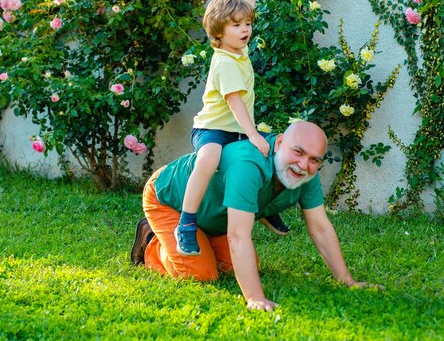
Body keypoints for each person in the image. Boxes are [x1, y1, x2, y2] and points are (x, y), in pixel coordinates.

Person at [131, 121, 383, 311]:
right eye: (298, 152)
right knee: (201, 274)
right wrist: (254, 298)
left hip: (216, 216)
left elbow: (319, 227)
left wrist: (347, 281)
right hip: (171, 200)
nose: (304, 165)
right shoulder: (248, 164)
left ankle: (202, 237)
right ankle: (153, 242)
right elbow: (238, 235)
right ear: (280, 142)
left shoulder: (306, 175)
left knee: (233, 266)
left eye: (314, 159)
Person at [176, 0, 286, 257]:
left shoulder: (237, 50)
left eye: (247, 23)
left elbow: (241, 19)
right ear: (219, 33)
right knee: (209, 159)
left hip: (237, 130)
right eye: (237, 26)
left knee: (265, 157)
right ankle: (186, 223)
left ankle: (262, 208)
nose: (245, 29)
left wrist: (250, 1)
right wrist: (253, 134)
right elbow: (235, 103)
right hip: (212, 129)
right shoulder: (224, 62)